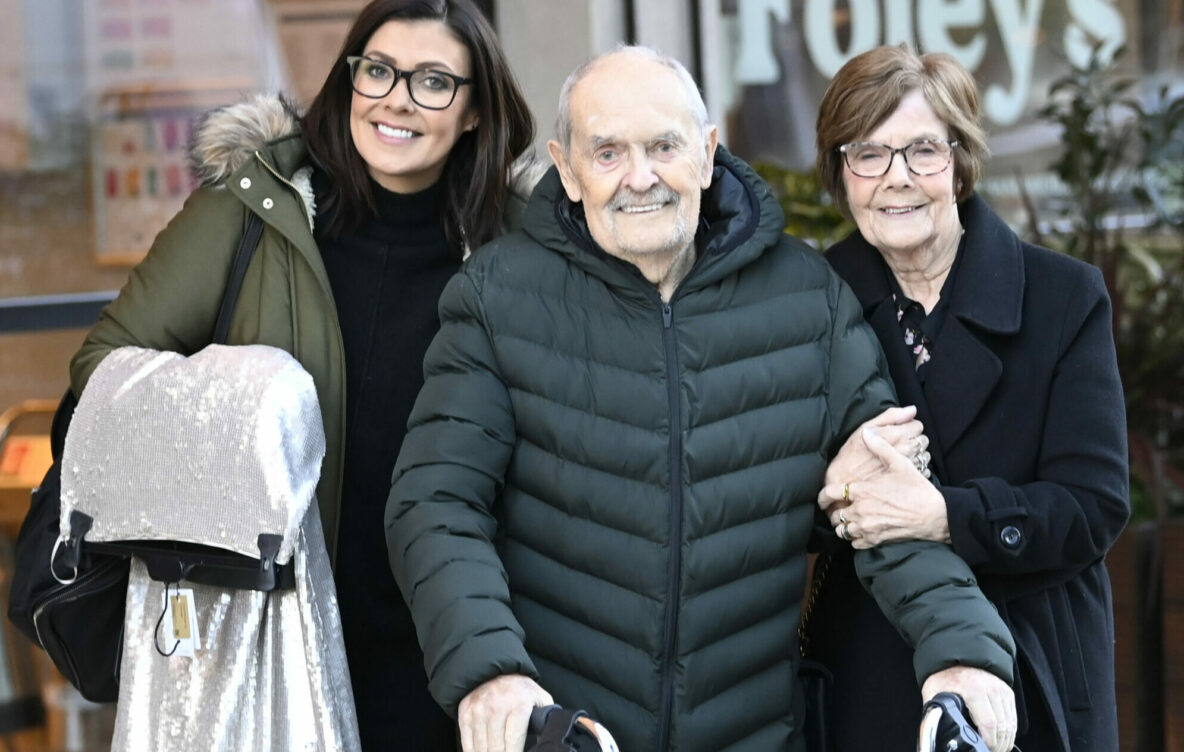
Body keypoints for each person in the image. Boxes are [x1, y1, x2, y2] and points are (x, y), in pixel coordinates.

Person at [385, 45, 1017, 752]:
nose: (641, 177)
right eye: (608, 153)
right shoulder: (496, 298)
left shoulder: (806, 297)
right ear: (565, 169)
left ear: (709, 152)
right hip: (565, 735)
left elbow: (882, 498)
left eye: (664, 145)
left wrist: (966, 654)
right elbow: (437, 504)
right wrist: (491, 674)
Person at [68, 0, 534, 749]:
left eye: (434, 82)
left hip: (458, 649)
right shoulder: (254, 210)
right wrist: (244, 407)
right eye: (377, 70)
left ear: (475, 109)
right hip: (271, 635)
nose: (397, 101)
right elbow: (104, 370)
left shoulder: (521, 244)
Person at [807, 44, 1131, 752]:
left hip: (1029, 666)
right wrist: (831, 496)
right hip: (872, 668)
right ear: (841, 171)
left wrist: (946, 515)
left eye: (922, 150)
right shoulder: (813, 299)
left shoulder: (1062, 298)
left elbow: (1093, 506)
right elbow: (763, 495)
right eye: (867, 153)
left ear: (959, 161)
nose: (896, 180)